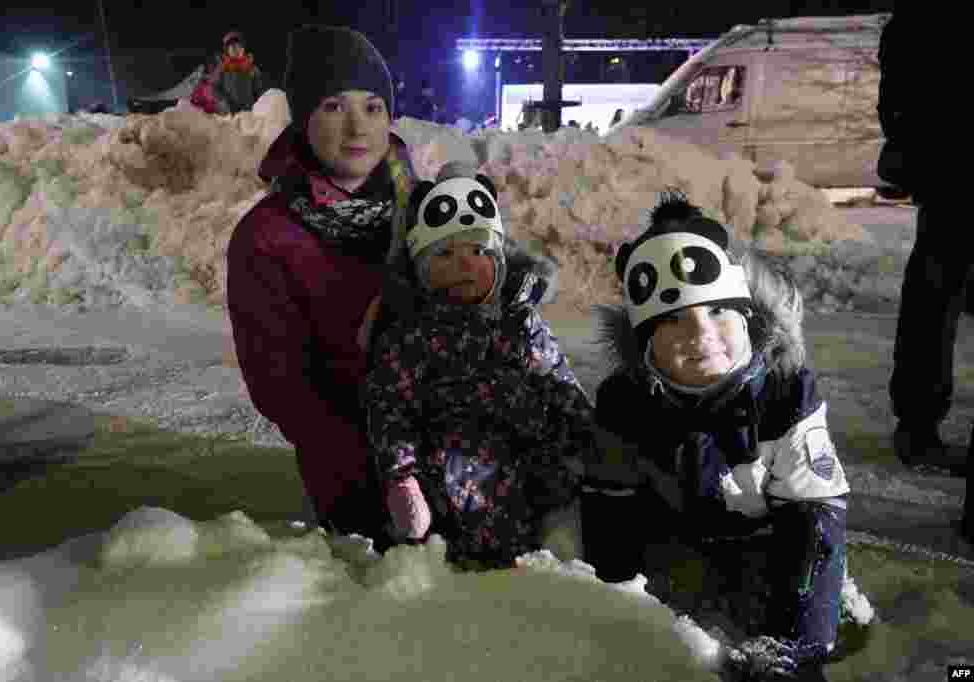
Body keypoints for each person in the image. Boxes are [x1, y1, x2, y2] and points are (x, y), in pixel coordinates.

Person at [586, 191, 850, 680]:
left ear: (748, 319)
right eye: (673, 319)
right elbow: (609, 514)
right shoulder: (623, 405)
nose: (700, 333)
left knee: (813, 614)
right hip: (674, 550)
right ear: (646, 350)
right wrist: (617, 613)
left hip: (770, 549)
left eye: (717, 312)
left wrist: (797, 646)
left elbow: (815, 524)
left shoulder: (788, 392)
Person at [226, 25, 416, 552]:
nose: (357, 126)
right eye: (334, 106)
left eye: (373, 106)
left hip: (460, 458)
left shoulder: (426, 208)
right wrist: (378, 462)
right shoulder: (267, 237)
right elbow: (282, 383)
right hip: (352, 476)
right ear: (304, 115)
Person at [361, 164, 594, 568]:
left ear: (500, 261)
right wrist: (403, 478)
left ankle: (558, 549)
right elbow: (389, 408)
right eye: (445, 255)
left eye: (478, 252)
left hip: (525, 463)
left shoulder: (520, 323)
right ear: (422, 270)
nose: (463, 265)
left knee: (559, 499)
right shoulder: (411, 336)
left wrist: (589, 437)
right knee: (433, 533)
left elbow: (557, 382)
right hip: (446, 469)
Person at [881, 6, 967, 483]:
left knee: (933, 300)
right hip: (952, 168)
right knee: (935, 300)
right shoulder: (927, 20)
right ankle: (917, 425)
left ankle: (917, 423)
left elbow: (896, 90)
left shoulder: (918, 19)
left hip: (944, 169)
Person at [213, 30, 267, 114]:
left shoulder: (252, 68)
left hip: (248, 112)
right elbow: (215, 88)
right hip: (228, 113)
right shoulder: (222, 68)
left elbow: (259, 90)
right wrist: (223, 101)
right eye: (231, 47)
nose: (235, 49)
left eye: (237, 46)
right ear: (227, 51)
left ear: (243, 48)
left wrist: (260, 106)